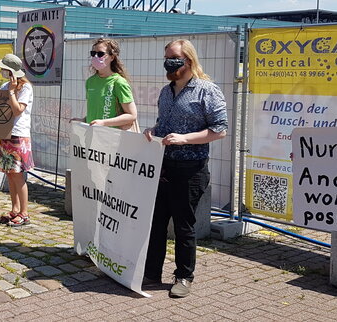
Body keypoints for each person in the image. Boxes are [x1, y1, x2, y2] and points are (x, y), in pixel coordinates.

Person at [143, 38, 228, 298]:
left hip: (190, 168)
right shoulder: (166, 92)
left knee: (183, 225)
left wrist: (185, 138)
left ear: (188, 61)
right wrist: (153, 131)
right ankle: (151, 272)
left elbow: (219, 130)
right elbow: (163, 123)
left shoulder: (207, 90)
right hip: (164, 165)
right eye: (166, 57)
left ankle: (183, 276)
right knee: (156, 222)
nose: (169, 63)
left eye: (174, 58)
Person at [0, 54, 34, 226]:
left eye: (4, 69)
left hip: (19, 134)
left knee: (18, 176)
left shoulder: (25, 88)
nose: (2, 71)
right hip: (6, 133)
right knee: (10, 175)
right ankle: (15, 209)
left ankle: (24, 213)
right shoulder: (5, 85)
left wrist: (11, 91)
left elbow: (17, 110)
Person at [72, 38, 138, 129]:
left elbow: (132, 115)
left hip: (111, 137)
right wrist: (83, 120)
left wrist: (104, 123)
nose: (95, 57)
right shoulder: (90, 82)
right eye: (93, 53)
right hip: (93, 136)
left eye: (100, 54)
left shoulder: (118, 82)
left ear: (112, 57)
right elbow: (96, 113)